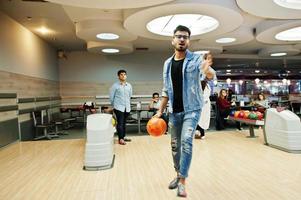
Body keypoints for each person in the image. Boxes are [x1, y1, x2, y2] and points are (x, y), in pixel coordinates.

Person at [154, 25, 215, 197]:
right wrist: (160, 111)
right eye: (179, 36)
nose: (182, 39)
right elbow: (166, 89)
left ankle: (182, 181)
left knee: (186, 141)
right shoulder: (167, 63)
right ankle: (177, 173)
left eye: (185, 37)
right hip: (174, 110)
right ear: (173, 39)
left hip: (192, 109)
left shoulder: (196, 60)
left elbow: (210, 75)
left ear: (188, 40)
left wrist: (207, 69)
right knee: (175, 145)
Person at [109, 69, 132, 145]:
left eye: (124, 74)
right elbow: (111, 97)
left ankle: (123, 136)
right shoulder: (115, 86)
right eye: (121, 74)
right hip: (119, 107)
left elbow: (130, 96)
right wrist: (114, 106)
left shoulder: (129, 85)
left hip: (127, 107)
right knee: (120, 123)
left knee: (124, 123)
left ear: (126, 76)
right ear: (118, 76)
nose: (123, 76)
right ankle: (120, 139)